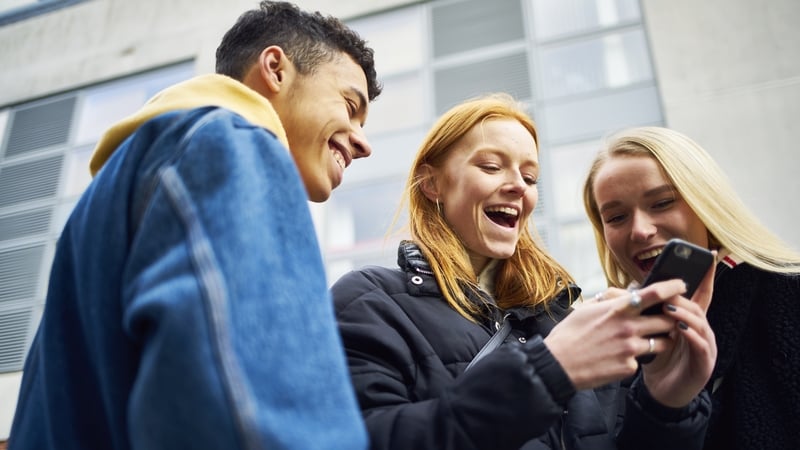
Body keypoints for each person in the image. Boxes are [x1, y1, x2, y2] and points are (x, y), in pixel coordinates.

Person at [9, 2, 381, 449]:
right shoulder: (233, 147)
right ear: (275, 69)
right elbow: (248, 419)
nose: (363, 144)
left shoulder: (105, 205)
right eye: (350, 105)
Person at [331, 94, 716, 450]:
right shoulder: (370, 302)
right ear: (432, 183)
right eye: (491, 167)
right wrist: (547, 372)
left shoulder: (567, 321)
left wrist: (668, 406)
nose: (519, 186)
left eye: (530, 178)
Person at [582, 126, 800, 450]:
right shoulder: (612, 344)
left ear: (707, 202)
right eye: (616, 217)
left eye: (662, 202)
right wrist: (662, 406)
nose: (640, 230)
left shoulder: (787, 295)